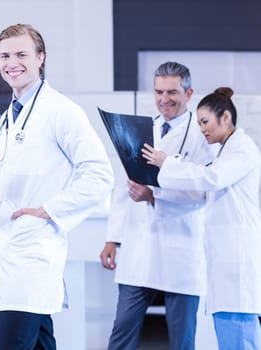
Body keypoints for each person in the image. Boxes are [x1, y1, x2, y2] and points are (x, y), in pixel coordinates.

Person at [0, 23, 114, 350]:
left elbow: (100, 175)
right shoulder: (9, 116)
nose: (11, 62)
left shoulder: (62, 111)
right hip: (9, 248)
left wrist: (47, 210)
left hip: (33, 251)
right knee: (42, 344)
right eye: (4, 55)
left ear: (40, 58)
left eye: (21, 54)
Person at [99, 61, 217, 350]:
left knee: (182, 337)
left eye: (172, 92)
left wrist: (154, 196)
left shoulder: (202, 137)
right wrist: (112, 238)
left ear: (189, 94)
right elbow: (122, 186)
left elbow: (203, 193)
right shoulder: (143, 129)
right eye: (159, 91)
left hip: (181, 248)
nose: (164, 99)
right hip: (139, 246)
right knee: (122, 331)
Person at [142, 87, 261, 350]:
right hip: (225, 265)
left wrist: (167, 163)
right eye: (198, 124)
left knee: (239, 337)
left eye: (205, 122)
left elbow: (211, 179)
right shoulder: (225, 153)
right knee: (229, 334)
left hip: (237, 266)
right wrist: (154, 192)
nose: (201, 129)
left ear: (226, 117)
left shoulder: (242, 149)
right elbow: (200, 189)